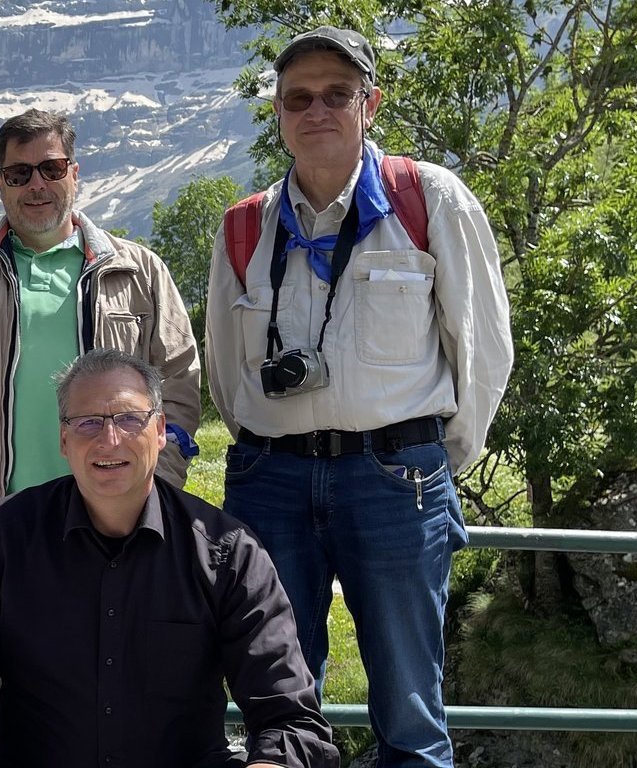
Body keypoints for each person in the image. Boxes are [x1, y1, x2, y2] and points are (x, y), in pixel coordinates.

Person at [203, 26, 514, 767]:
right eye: (299, 97)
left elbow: (484, 348)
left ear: (369, 104)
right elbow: (225, 369)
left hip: (395, 479)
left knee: (410, 709)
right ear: (277, 114)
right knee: (274, 699)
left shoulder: (429, 199)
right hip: (269, 479)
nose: (318, 110)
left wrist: (431, 458)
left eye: (337, 94)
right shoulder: (244, 225)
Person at [0, 349, 336, 768]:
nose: (109, 439)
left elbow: (293, 721)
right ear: (62, 439)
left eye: (129, 419)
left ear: (161, 430)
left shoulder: (228, 553)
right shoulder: (4, 538)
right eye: (87, 421)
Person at [0, 107, 202, 568]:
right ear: (1, 182)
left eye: (51, 168)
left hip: (116, 524)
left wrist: (156, 485)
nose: (36, 184)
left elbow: (178, 390)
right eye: (19, 173)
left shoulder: (141, 271)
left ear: (74, 174)